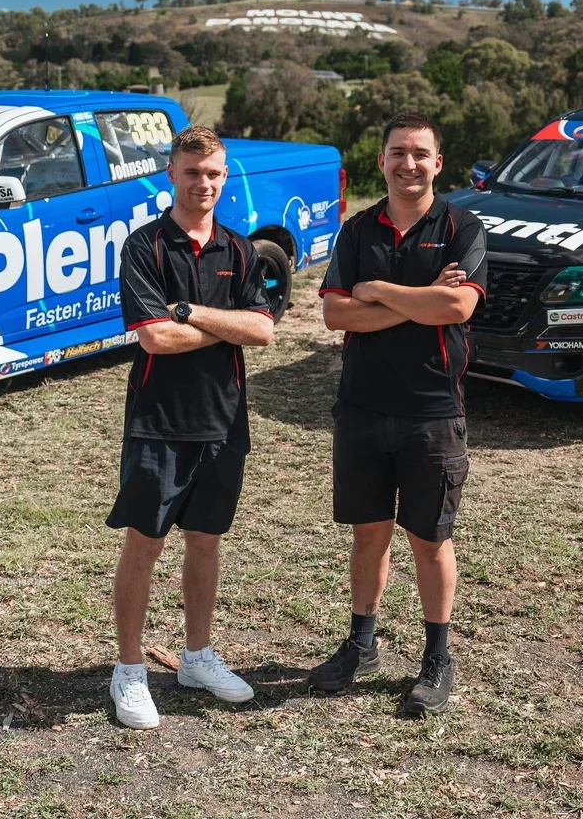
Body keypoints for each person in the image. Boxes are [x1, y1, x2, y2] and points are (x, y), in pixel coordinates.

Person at [310, 112, 488, 716]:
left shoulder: (463, 225)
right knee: (368, 534)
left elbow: (458, 306)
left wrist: (379, 290)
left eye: (419, 154)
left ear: (438, 163)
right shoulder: (359, 229)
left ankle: (436, 658)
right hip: (361, 408)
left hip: (432, 411)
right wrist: (420, 300)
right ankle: (362, 643)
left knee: (429, 540)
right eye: (396, 153)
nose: (407, 164)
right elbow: (336, 316)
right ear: (381, 161)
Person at [107, 124, 277, 729]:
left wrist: (192, 314)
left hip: (223, 420)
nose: (202, 183)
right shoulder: (144, 246)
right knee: (145, 544)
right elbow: (155, 336)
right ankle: (129, 669)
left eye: (213, 174)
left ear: (223, 178)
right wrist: (223, 325)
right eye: (191, 172)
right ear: (170, 175)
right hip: (158, 420)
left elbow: (263, 330)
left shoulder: (239, 249)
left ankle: (196, 657)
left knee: (206, 542)